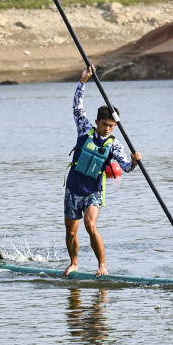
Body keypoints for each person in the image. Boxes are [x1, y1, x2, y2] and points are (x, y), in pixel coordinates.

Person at [64, 66, 141, 276]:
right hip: (73, 189)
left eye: (112, 125)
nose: (108, 128)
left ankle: (102, 266)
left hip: (93, 191)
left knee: (90, 225)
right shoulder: (84, 129)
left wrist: (134, 162)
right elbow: (77, 107)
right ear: (97, 122)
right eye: (105, 124)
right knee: (71, 231)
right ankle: (74, 263)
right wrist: (83, 81)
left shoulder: (114, 145)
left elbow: (126, 167)